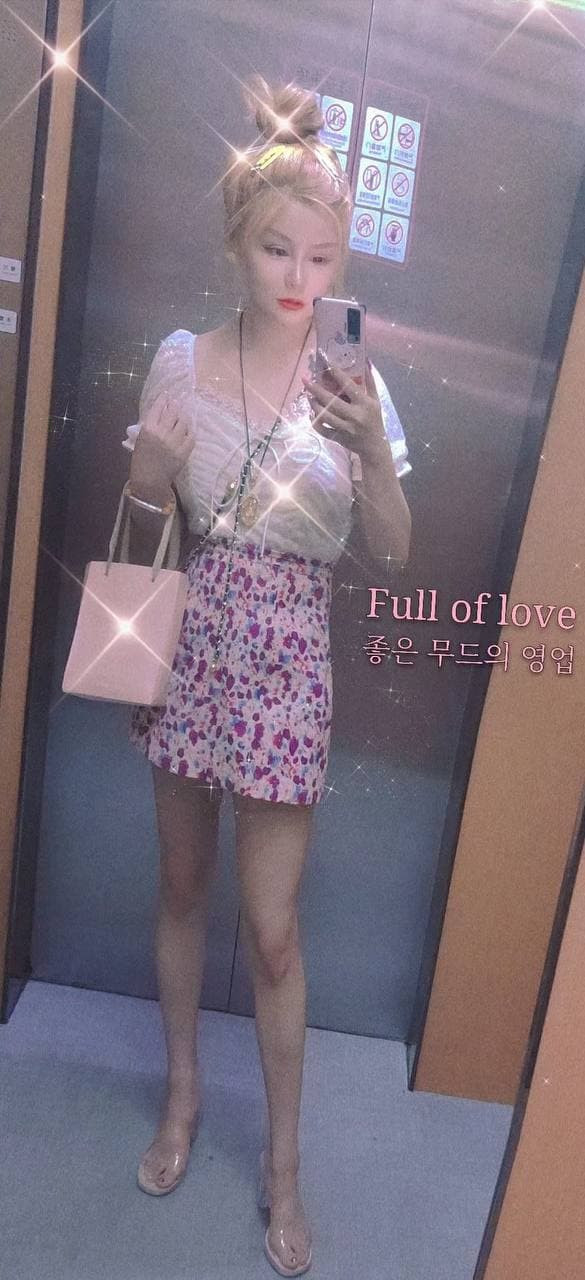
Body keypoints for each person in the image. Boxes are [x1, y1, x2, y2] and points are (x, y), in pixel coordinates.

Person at [122, 74, 411, 1278]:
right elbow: (149, 523)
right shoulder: (181, 361)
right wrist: (148, 473)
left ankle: (284, 1165)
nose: (299, 276)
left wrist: (371, 451)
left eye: (322, 256)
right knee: (182, 882)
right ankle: (183, 1093)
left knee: (275, 931)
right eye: (277, 248)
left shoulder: (357, 386)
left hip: (291, 658)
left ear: (342, 264)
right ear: (235, 246)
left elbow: (393, 551)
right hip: (191, 646)